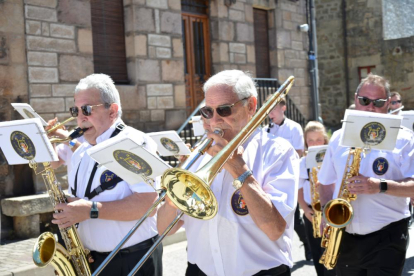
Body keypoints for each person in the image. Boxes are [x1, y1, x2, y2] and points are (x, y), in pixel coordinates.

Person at [158, 70, 299, 276]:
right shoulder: (197, 156)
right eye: (207, 111)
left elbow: (274, 229)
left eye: (224, 110)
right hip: (200, 270)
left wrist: (239, 170)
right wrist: (177, 187)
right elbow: (164, 229)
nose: (214, 121)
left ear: (250, 106)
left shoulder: (278, 152)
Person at [50, 74, 162, 276]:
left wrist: (90, 210)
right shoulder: (82, 151)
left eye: (87, 109)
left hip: (132, 260)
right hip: (92, 259)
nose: (80, 117)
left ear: (112, 111)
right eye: (76, 110)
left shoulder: (134, 143)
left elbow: (149, 204)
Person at [318, 74, 414, 276]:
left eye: (378, 103)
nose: (370, 108)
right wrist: (327, 212)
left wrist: (380, 186)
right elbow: (325, 183)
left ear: (388, 103)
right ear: (356, 100)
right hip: (345, 236)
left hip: (387, 236)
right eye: (364, 101)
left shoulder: (404, 138)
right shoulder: (337, 137)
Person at [265, 94, 310, 261]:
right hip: (271, 179)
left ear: (283, 108)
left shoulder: (294, 127)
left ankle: (306, 243)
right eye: (268, 110)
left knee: (295, 218)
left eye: (273, 109)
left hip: (289, 178)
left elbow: (299, 152)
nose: (270, 114)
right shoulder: (267, 130)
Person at [297, 121, 335, 276]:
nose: (314, 143)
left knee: (332, 254)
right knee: (317, 253)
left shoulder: (331, 159)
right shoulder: (303, 162)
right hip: (311, 213)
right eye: (310, 140)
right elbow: (299, 188)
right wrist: (305, 209)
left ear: (325, 140)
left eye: (318, 140)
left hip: (331, 212)